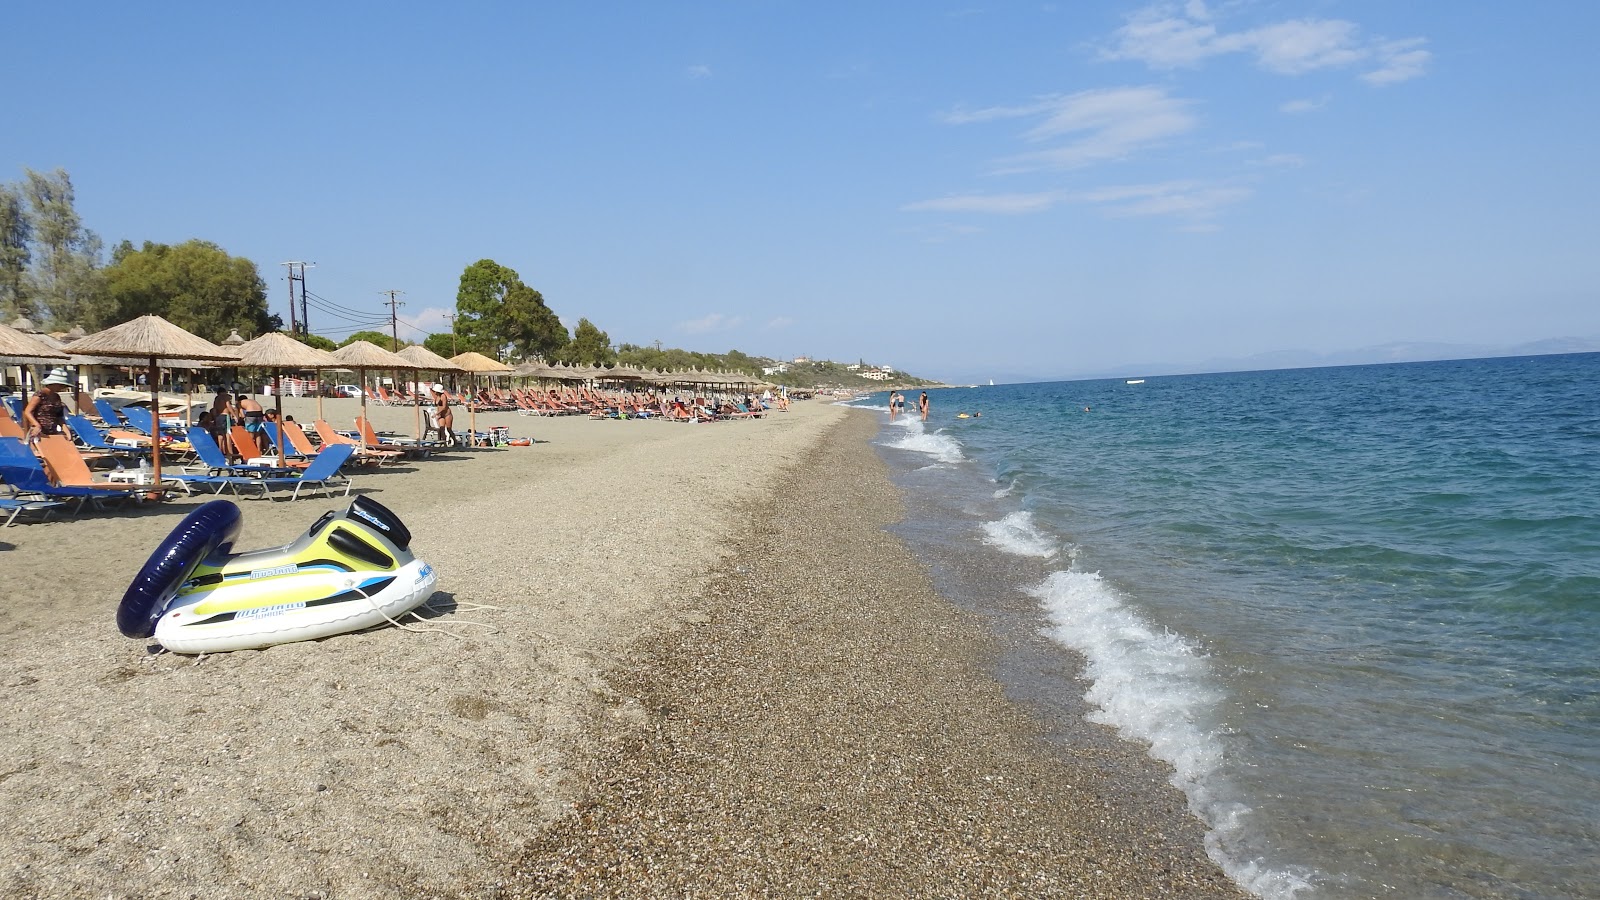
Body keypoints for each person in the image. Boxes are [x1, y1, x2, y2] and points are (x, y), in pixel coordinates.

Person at [23, 367, 73, 443]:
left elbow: (59, 416)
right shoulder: (39, 395)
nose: (63, 388)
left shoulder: (56, 397)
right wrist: (37, 425)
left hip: (52, 432)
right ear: (54, 384)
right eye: (61, 385)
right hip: (39, 433)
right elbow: (27, 411)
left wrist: (66, 431)